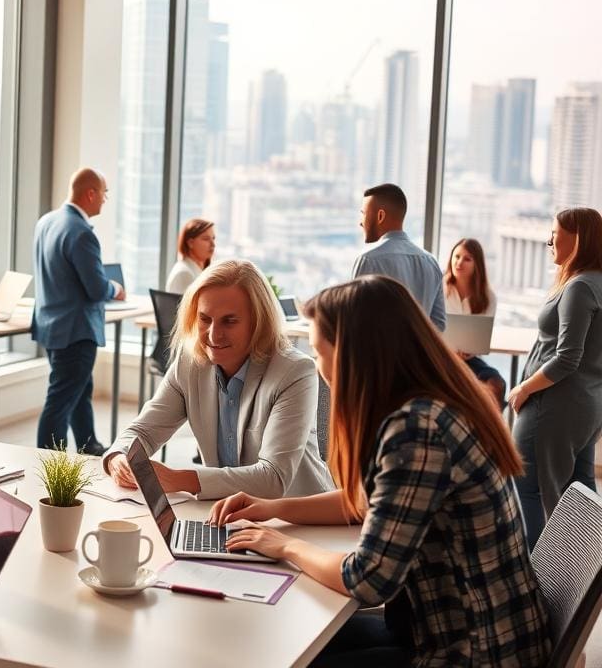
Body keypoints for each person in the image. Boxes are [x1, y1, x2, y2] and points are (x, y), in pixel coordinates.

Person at [208, 276, 551, 667]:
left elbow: (368, 580)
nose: (319, 369)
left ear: (355, 356)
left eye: (320, 352)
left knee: (283, 651)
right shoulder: (432, 406)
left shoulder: (416, 431)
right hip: (458, 629)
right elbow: (366, 503)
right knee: (281, 637)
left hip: (473, 651)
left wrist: (284, 545)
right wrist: (273, 507)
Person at [104, 260, 331, 499]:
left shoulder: (294, 371)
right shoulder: (189, 363)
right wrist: (119, 458)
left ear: (258, 321)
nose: (213, 335)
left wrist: (178, 479)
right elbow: (143, 431)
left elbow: (272, 478)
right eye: (204, 319)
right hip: (227, 511)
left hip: (298, 519)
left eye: (229, 321)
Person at [509, 207, 602, 549]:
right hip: (587, 408)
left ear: (577, 239)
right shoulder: (596, 283)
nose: (549, 240)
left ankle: (533, 582)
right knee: (579, 494)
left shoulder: (579, 287)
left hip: (553, 408)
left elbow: (567, 358)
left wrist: (523, 388)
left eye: (554, 233)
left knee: (528, 490)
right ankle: (584, 574)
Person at [32, 167, 125, 454]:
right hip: (76, 329)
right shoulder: (82, 232)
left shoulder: (47, 221)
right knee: (60, 400)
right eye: (104, 193)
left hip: (50, 325)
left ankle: (89, 446)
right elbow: (96, 289)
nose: (105, 200)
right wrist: (115, 289)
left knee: (79, 389)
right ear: (90, 193)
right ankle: (48, 463)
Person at [351, 183, 445, 331]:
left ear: (380, 216)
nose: (361, 222)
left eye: (364, 214)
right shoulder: (431, 262)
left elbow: (355, 320)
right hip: (417, 354)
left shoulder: (368, 260)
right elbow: (439, 324)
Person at [442, 238, 506, 404]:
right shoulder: (439, 288)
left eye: (467, 259)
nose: (459, 262)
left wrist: (471, 351)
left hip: (469, 360)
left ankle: (490, 429)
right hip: (440, 357)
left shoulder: (488, 297)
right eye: (456, 256)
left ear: (477, 265)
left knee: (497, 384)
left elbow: (481, 338)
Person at [165, 218, 216, 294]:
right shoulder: (184, 274)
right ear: (190, 243)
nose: (213, 244)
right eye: (206, 239)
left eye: (213, 238)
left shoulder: (199, 270)